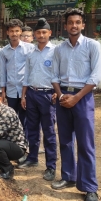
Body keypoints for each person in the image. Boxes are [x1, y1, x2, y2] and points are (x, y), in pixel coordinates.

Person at [51, 8, 101, 201]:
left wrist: (77, 98)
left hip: (83, 98)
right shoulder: (59, 49)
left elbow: (95, 77)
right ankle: (68, 176)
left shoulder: (92, 46)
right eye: (70, 22)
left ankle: (90, 187)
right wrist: (62, 96)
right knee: (65, 141)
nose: (74, 25)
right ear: (65, 26)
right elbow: (54, 76)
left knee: (86, 144)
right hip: (63, 98)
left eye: (77, 22)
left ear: (82, 24)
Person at [18, 18, 57, 182]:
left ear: (49, 33)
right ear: (34, 35)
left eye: (44, 32)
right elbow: (27, 75)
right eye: (38, 32)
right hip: (32, 95)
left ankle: (51, 166)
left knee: (48, 132)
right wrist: (24, 95)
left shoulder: (56, 52)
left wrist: (57, 91)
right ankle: (32, 158)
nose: (41, 35)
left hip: (48, 95)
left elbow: (60, 74)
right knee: (32, 129)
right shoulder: (31, 53)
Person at [0, 19, 34, 139]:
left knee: (26, 118)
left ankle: (26, 143)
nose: (14, 34)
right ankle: (15, 143)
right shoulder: (4, 51)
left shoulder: (30, 48)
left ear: (21, 32)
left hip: (26, 89)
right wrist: (3, 91)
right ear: (7, 33)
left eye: (17, 31)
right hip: (11, 90)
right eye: (11, 31)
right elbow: (3, 72)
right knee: (13, 118)